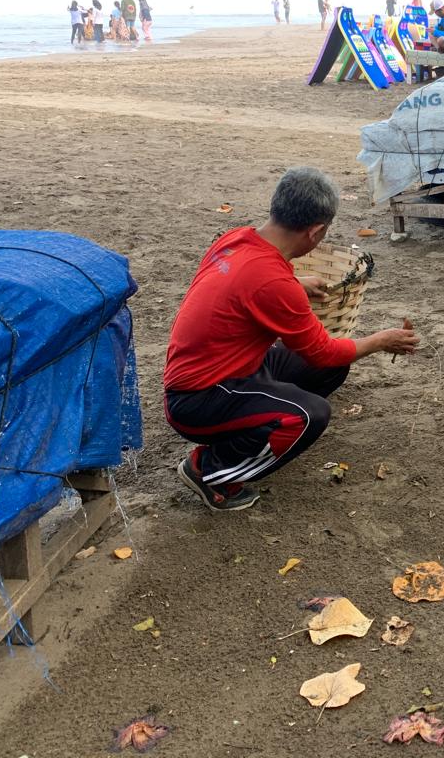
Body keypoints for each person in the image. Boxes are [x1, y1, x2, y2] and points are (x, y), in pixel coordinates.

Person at [163, 167, 420, 511]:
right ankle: (210, 472)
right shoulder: (273, 282)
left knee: (333, 368)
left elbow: (244, 285)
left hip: (223, 370)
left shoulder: (237, 238)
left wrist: (295, 284)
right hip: (199, 399)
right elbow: (323, 352)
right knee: (310, 414)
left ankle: (261, 427)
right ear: (315, 231)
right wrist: (381, 341)